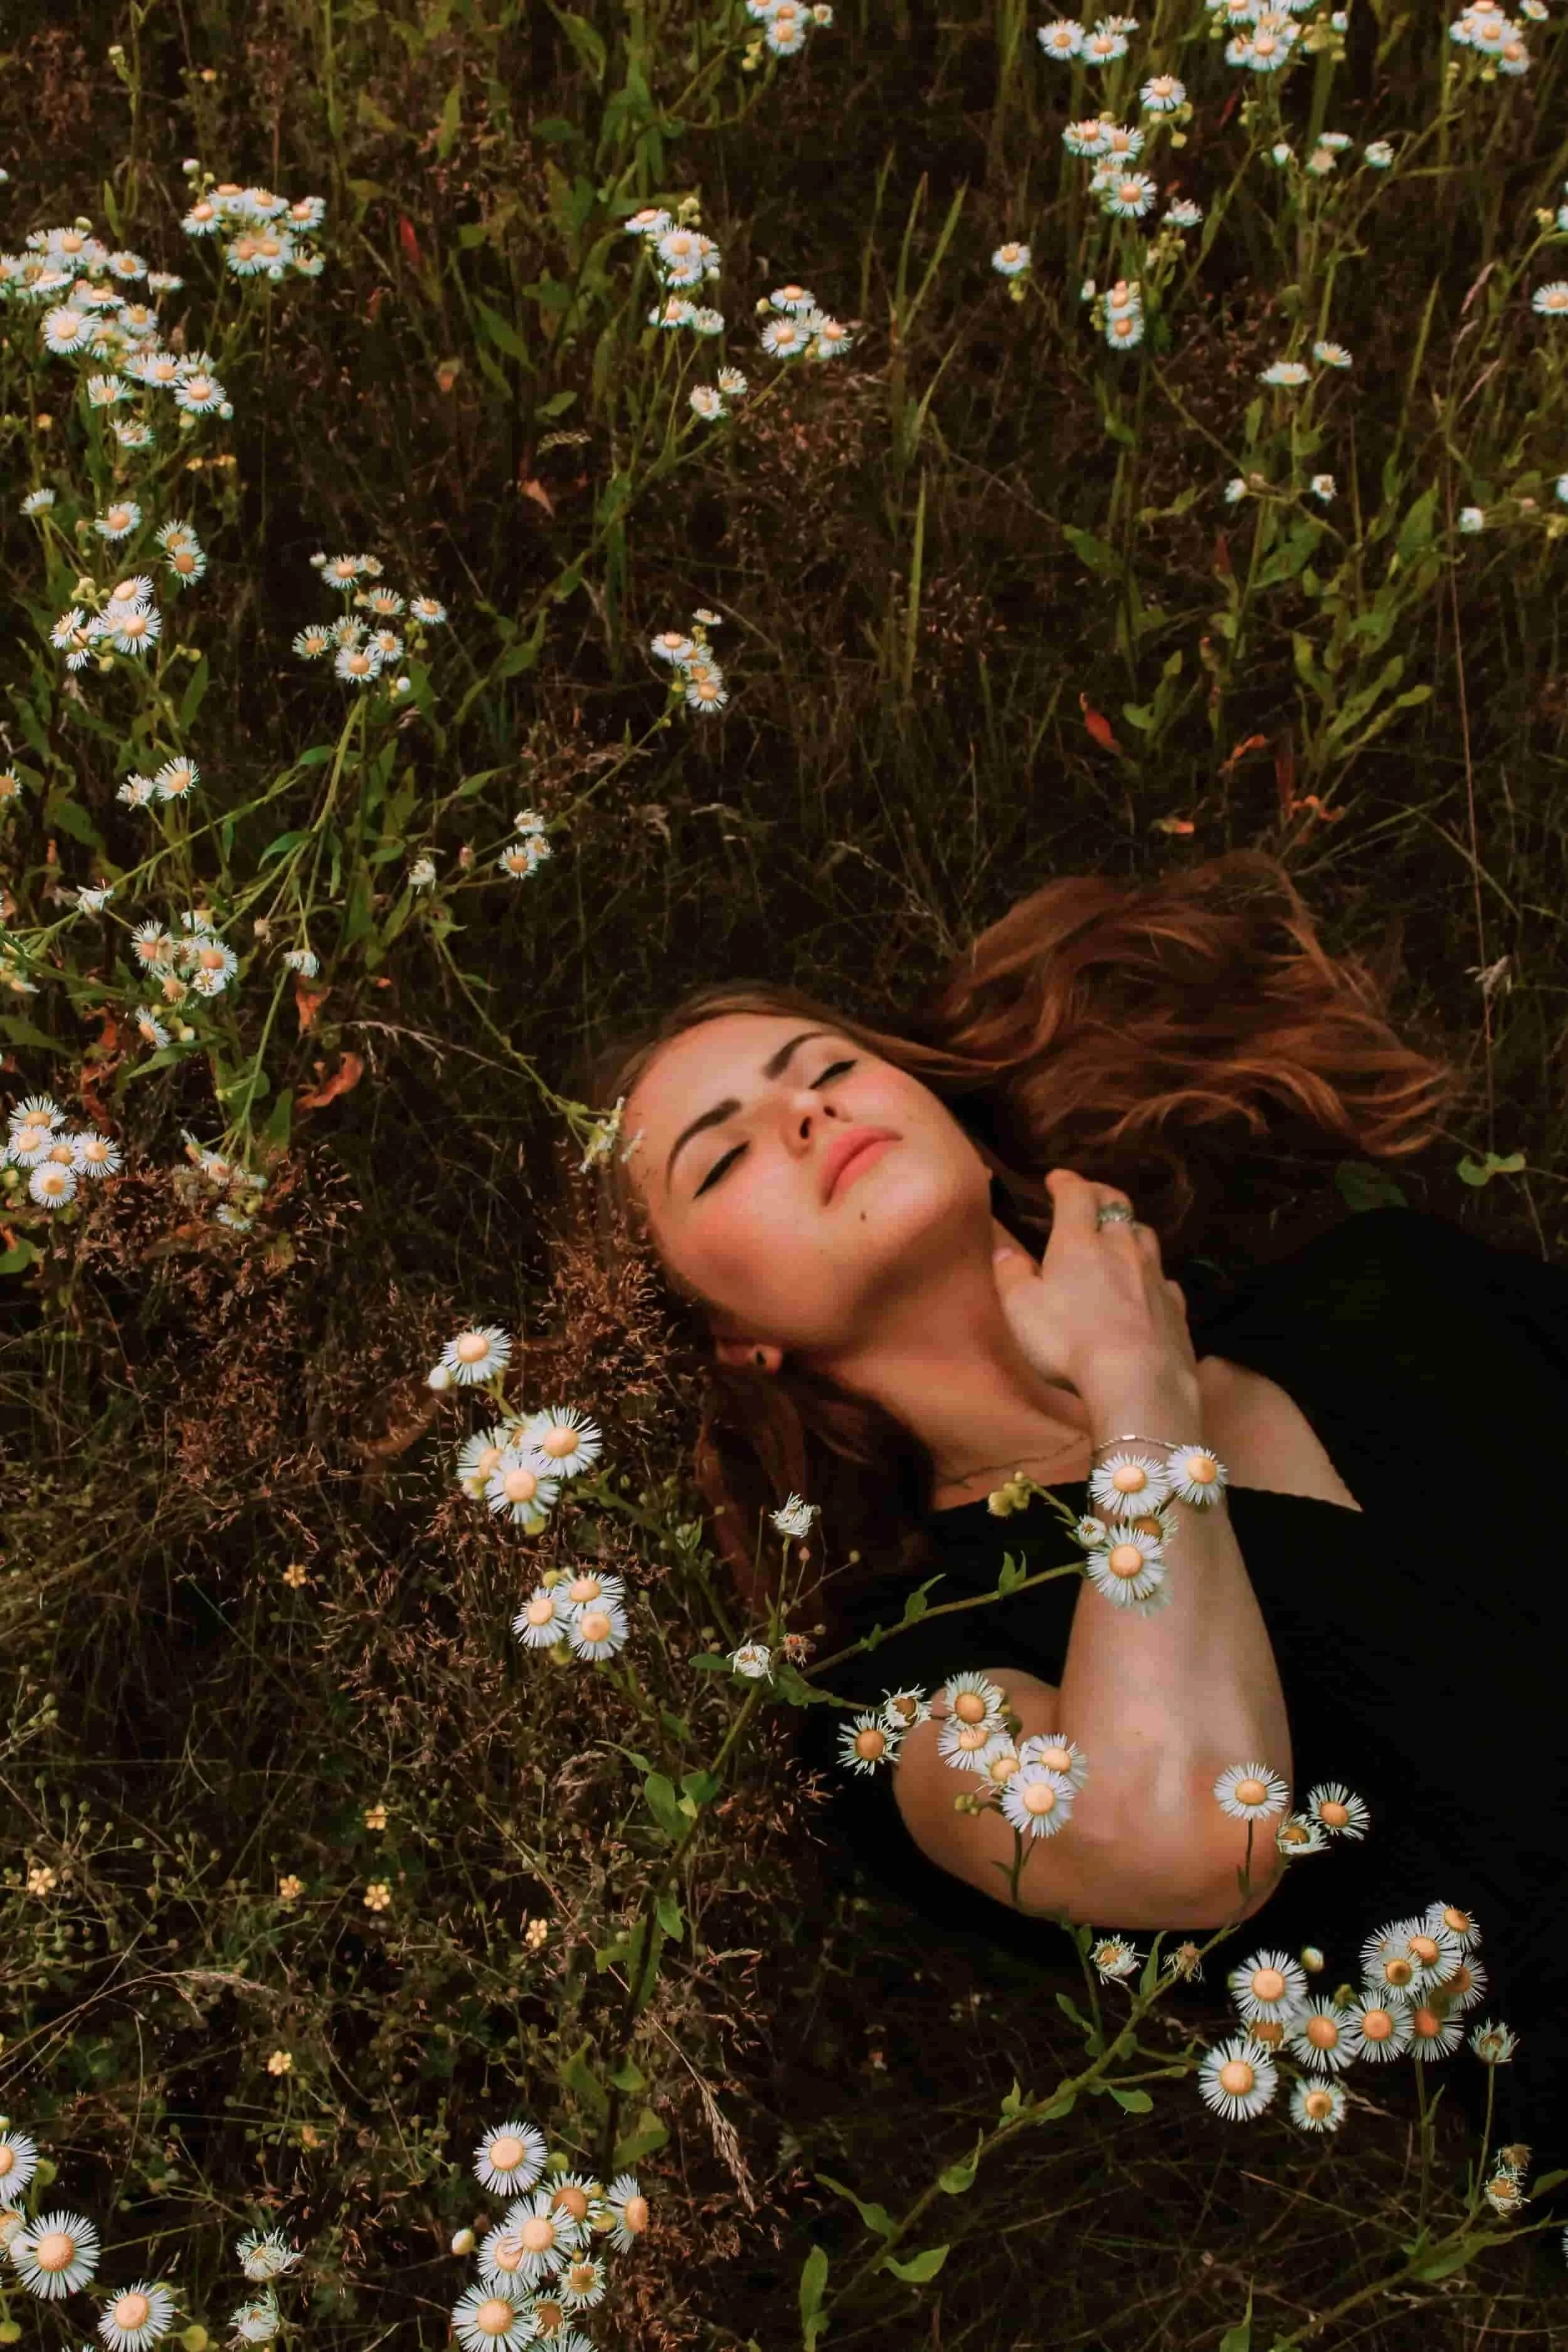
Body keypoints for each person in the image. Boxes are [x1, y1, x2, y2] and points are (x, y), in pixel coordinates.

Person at [563, 850, 1566, 2212]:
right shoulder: (896, 1690)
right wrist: (1135, 1400)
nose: (801, 1112)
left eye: (825, 1069)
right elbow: (1183, 1836)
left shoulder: (1383, 1298)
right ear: (730, 1340)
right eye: (725, 1151)